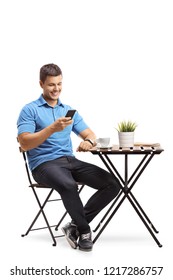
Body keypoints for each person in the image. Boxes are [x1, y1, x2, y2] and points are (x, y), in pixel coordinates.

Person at [17, 63, 120, 252]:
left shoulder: (68, 109)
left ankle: (73, 224)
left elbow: (90, 134)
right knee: (68, 185)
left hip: (70, 161)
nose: (56, 89)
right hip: (43, 165)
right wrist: (51, 129)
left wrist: (89, 142)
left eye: (59, 84)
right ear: (41, 84)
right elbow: (24, 143)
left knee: (113, 184)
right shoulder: (30, 110)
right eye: (51, 85)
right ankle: (84, 230)